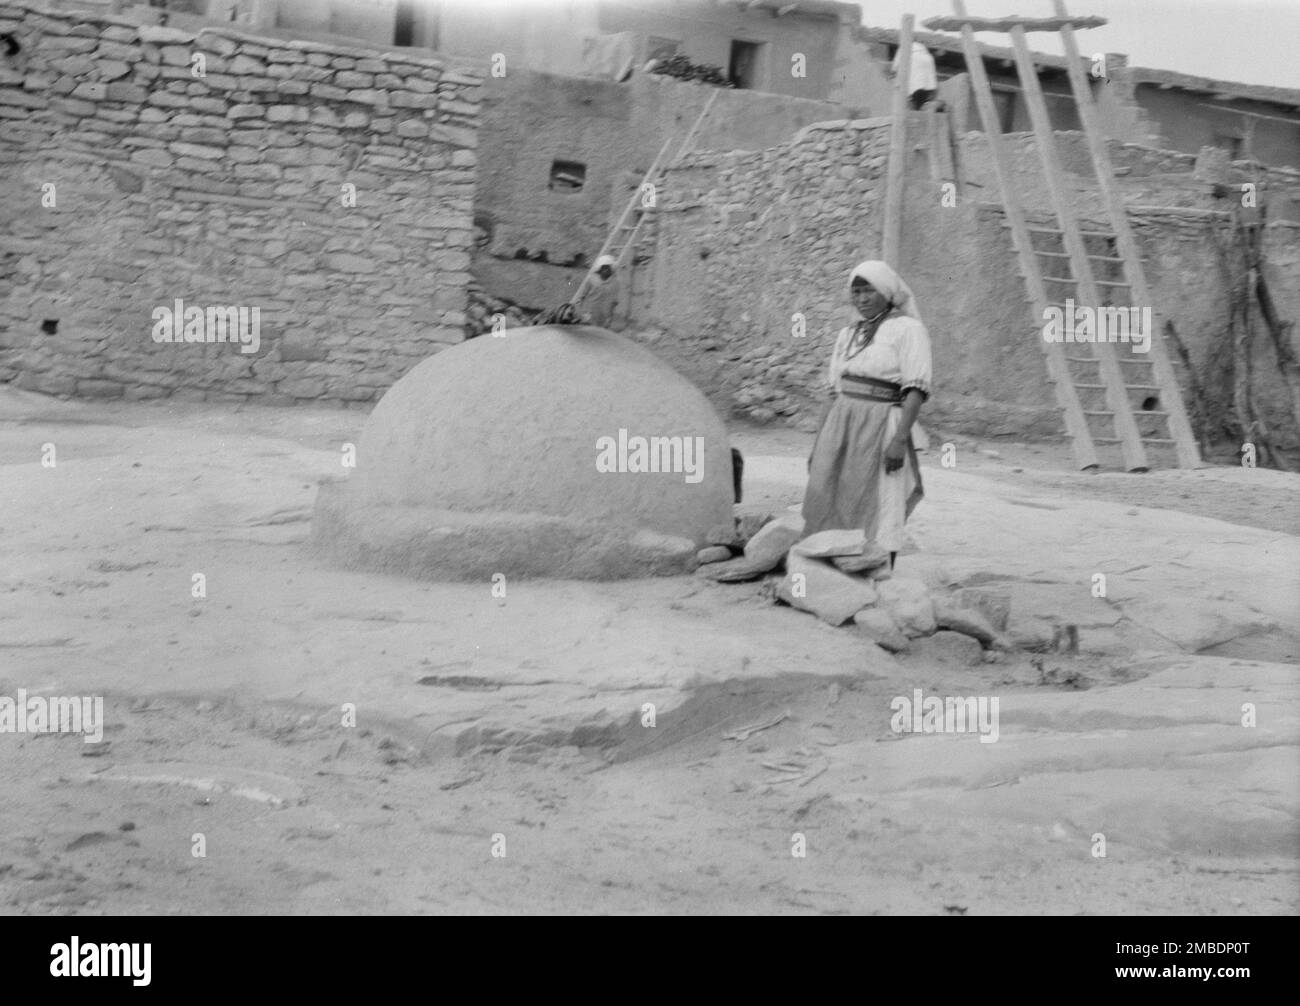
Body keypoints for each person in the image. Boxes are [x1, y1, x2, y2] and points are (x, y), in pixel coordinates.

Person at [801, 260, 932, 569]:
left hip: (884, 423)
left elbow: (915, 389)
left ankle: (880, 569)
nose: (861, 299)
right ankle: (836, 571)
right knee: (834, 490)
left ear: (886, 292)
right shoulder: (848, 334)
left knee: (884, 497)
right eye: (856, 292)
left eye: (868, 291)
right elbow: (833, 391)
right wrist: (818, 443)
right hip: (841, 422)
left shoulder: (909, 330)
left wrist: (899, 440)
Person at [890, 40, 937, 110]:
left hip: (914, 59)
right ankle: (923, 104)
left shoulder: (904, 45)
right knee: (925, 84)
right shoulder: (921, 46)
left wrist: (893, 71)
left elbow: (897, 62)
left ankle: (916, 107)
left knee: (915, 85)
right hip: (927, 58)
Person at [583, 254, 619, 328]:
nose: (606, 270)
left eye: (608, 267)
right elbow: (581, 297)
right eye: (604, 267)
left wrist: (610, 318)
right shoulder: (591, 279)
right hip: (590, 315)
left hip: (604, 317)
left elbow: (614, 302)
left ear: (611, 269)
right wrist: (582, 313)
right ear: (600, 268)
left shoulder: (615, 283)